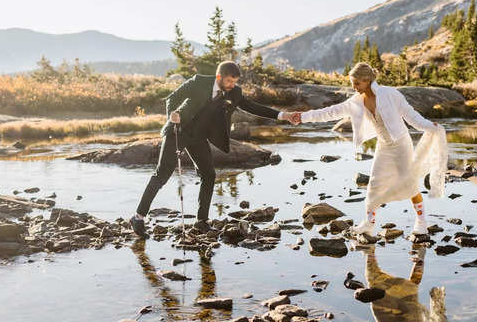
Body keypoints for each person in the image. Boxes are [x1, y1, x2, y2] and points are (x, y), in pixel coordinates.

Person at [129, 60, 292, 238]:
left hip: (199, 137)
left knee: (209, 174)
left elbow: (252, 107)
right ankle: (138, 217)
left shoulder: (234, 92)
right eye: (229, 81)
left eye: (235, 81)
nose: (232, 85)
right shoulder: (198, 82)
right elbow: (172, 99)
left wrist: (282, 115)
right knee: (162, 174)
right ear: (219, 77)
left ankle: (201, 222)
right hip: (179, 130)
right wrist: (173, 114)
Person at [286, 62, 447, 236]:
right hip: (384, 146)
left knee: (409, 183)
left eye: (357, 83)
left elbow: (410, 114)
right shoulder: (355, 102)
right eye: (352, 83)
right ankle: (369, 224)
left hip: (401, 145)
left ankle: (421, 222)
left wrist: (428, 125)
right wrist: (301, 117)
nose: (353, 87)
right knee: (373, 186)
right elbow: (328, 113)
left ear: (367, 80)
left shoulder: (390, 94)